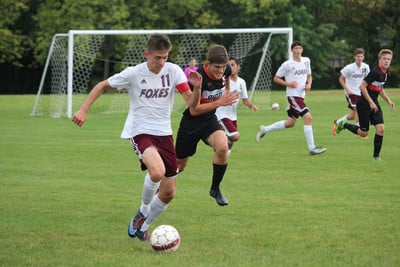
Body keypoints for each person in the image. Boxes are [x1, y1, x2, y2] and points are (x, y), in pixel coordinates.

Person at [71, 34, 202, 241]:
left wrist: (197, 88)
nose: (161, 62)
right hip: (140, 130)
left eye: (165, 57)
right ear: (147, 54)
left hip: (164, 133)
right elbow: (102, 85)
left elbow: (192, 105)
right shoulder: (133, 73)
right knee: (157, 172)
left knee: (168, 193)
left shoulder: (174, 71)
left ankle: (143, 226)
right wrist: (83, 110)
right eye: (157, 58)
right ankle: (143, 210)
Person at [175, 45, 240, 206]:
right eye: (217, 67)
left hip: (209, 119)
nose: (220, 70)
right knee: (179, 166)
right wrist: (220, 101)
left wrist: (227, 93)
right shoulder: (198, 79)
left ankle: (215, 188)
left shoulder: (226, 71)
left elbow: (226, 82)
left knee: (223, 147)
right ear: (208, 64)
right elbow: (195, 110)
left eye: (223, 66)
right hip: (190, 123)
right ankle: (157, 191)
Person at [256, 41, 326, 155]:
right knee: (308, 118)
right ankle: (312, 148)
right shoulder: (287, 64)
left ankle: (265, 129)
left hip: (301, 96)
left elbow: (309, 75)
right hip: (293, 96)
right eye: (296, 48)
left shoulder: (306, 61)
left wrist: (309, 84)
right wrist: (289, 84)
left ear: (302, 50)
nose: (298, 50)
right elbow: (276, 78)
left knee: (291, 122)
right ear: (291, 50)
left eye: (300, 48)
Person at [335, 49, 395, 162]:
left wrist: (388, 100)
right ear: (380, 59)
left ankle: (376, 157)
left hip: (374, 103)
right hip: (364, 104)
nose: (386, 61)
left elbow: (380, 88)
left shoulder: (384, 73)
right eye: (384, 59)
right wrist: (371, 102)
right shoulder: (375, 72)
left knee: (381, 128)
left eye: (388, 59)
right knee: (363, 133)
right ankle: (344, 125)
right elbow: (362, 86)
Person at [216, 57, 258, 156]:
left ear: (238, 67)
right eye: (228, 65)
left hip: (232, 115)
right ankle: (218, 139)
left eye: (233, 65)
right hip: (221, 114)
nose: (230, 67)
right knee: (235, 136)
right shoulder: (222, 81)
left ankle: (222, 157)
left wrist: (252, 106)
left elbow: (245, 100)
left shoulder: (241, 82)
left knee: (230, 142)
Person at [332, 48, 370, 135]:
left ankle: (338, 122)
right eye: (358, 56)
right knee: (358, 110)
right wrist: (347, 89)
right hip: (351, 93)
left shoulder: (366, 67)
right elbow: (341, 79)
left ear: (363, 57)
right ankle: (359, 128)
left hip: (361, 92)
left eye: (361, 56)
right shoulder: (349, 68)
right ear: (355, 57)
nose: (359, 58)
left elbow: (368, 79)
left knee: (353, 115)